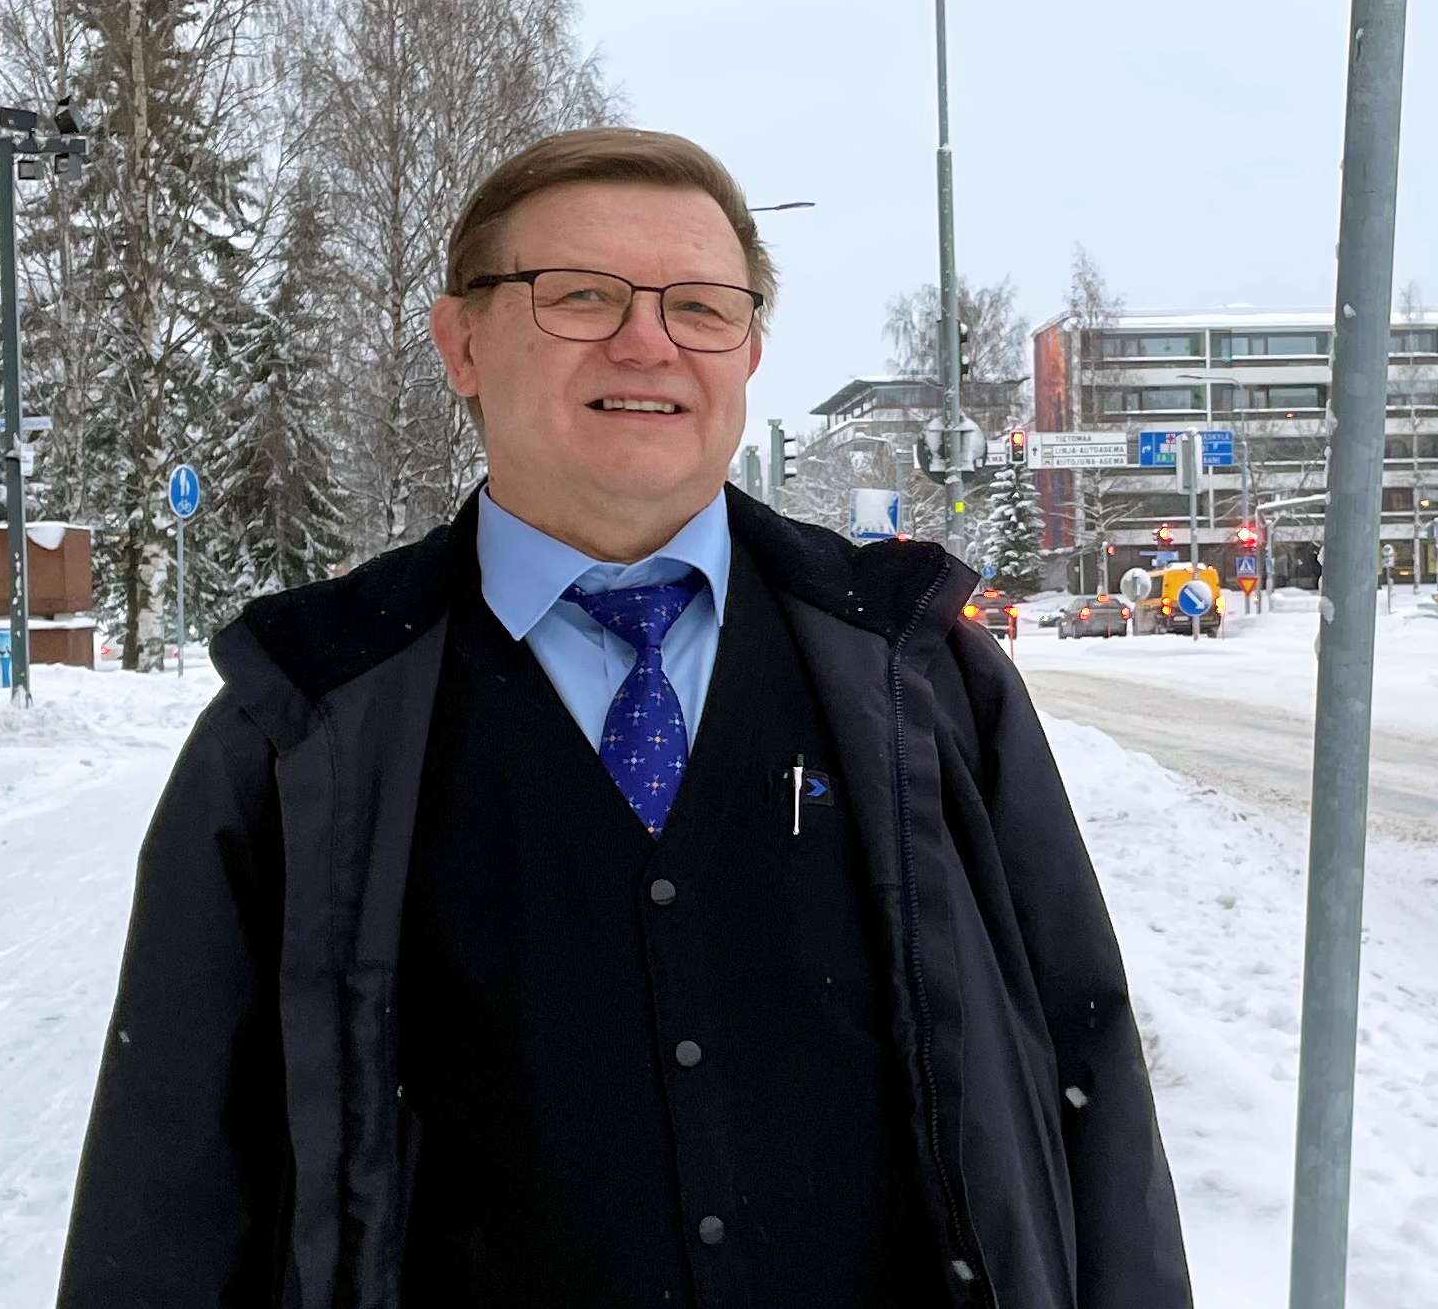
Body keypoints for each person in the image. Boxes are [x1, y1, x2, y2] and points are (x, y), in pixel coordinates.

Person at [59, 127, 1190, 1309]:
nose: (647, 342)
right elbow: (171, 1177)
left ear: (748, 349)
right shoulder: (306, 722)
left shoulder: (924, 679)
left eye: (701, 306)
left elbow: (1085, 1077)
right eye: (582, 296)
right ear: (462, 342)